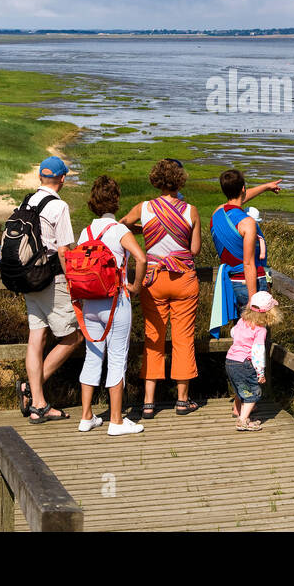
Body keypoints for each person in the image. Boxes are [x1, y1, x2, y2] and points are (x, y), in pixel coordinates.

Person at [120, 158, 201, 418]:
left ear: (156, 180)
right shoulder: (191, 211)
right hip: (183, 278)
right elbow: (195, 250)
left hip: (153, 279)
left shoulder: (144, 208)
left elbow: (121, 225)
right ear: (180, 180)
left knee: (153, 337)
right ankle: (182, 400)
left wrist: (146, 231)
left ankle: (148, 402)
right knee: (183, 338)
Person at [75, 175, 148, 436]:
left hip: (89, 303)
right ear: (115, 201)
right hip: (116, 301)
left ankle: (86, 417)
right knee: (117, 358)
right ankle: (116, 421)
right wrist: (136, 286)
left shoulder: (86, 232)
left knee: (92, 357)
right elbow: (140, 258)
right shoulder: (119, 230)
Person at [18, 156, 82, 424]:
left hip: (28, 279)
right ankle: (33, 393)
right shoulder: (59, 206)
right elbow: (65, 251)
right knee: (74, 337)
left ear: (40, 177)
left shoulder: (26, 202)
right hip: (52, 280)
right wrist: (73, 284)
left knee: (37, 339)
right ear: (62, 178)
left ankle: (38, 403)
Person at [209, 170, 281, 336]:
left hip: (230, 282)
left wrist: (265, 187)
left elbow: (238, 201)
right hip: (249, 283)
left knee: (241, 333)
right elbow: (248, 262)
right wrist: (252, 299)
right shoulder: (247, 223)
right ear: (242, 188)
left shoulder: (217, 213)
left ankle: (238, 361)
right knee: (257, 336)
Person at [224, 291, 282, 431]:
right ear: (269, 313)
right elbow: (257, 352)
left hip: (230, 360)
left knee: (240, 387)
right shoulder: (260, 330)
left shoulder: (242, 321)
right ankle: (242, 420)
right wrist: (260, 372)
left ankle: (238, 411)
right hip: (244, 362)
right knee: (253, 392)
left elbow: (233, 333)